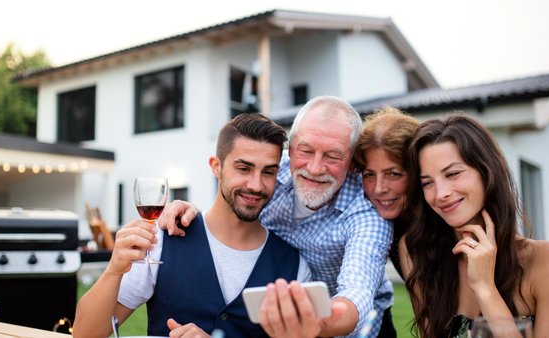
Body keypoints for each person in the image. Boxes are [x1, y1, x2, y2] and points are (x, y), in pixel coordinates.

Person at [159, 96, 394, 338]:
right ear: (289, 149)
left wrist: (310, 320)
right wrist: (189, 212)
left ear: (353, 162)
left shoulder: (366, 213)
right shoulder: (268, 172)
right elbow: (233, 196)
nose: (314, 168)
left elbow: (357, 293)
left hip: (352, 328)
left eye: (333, 156)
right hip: (274, 315)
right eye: (305, 150)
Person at [73, 113, 312, 338]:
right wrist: (114, 269)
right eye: (243, 168)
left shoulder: (295, 267)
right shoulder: (163, 239)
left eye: (268, 172)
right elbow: (85, 334)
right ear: (216, 166)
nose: (256, 185)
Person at [399, 114, 549, 337]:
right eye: (427, 183)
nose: (441, 193)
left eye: (453, 173)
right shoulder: (418, 252)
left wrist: (485, 287)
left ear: (486, 172)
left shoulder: (545, 261)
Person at [352, 106, 419, 278]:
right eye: (369, 175)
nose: (379, 188)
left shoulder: (447, 223)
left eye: (394, 174)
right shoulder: (387, 226)